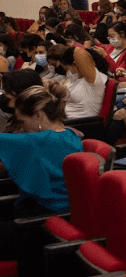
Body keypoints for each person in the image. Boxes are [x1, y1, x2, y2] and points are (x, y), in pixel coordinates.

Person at [0, 83, 82, 214]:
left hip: (47, 209)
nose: (22, 128)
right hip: (69, 206)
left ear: (38, 115)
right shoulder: (72, 134)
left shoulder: (36, 140)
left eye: (23, 121)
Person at [57, 47, 108, 118]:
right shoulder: (74, 81)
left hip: (82, 123)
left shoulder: (93, 80)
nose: (67, 73)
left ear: (75, 65)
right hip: (67, 120)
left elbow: (78, 51)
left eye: (67, 69)